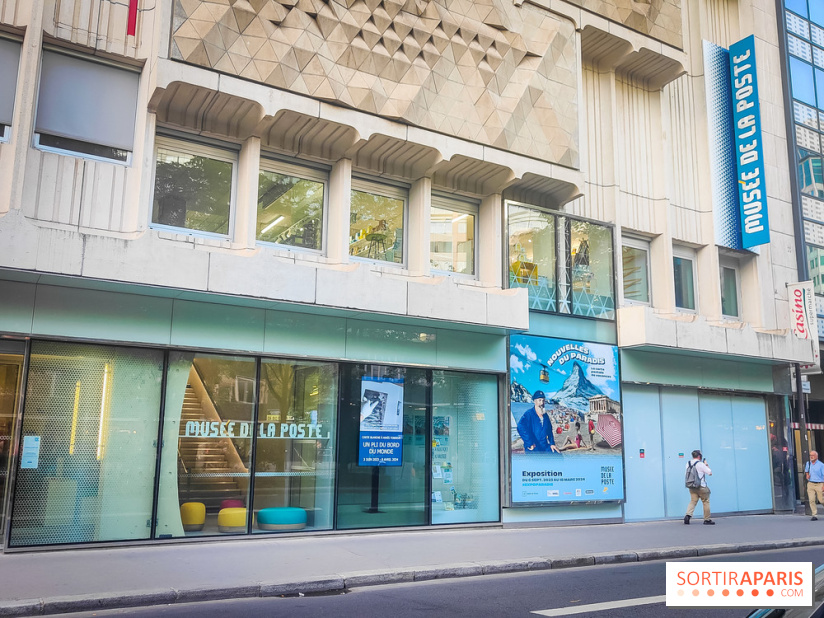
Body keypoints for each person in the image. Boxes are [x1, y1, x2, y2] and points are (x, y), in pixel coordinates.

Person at [684, 450, 714, 525]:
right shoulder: (700, 464)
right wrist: (706, 464)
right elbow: (710, 472)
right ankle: (707, 519)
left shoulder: (688, 463)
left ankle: (688, 515)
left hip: (692, 486)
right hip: (701, 486)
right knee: (705, 501)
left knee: (693, 501)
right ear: (699, 456)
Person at [805, 450, 824, 521]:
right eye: (810, 455)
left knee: (821, 500)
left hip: (819, 483)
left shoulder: (821, 465)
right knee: (811, 500)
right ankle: (814, 515)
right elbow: (807, 471)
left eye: (812, 455)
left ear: (816, 456)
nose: (811, 457)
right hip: (811, 484)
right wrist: (807, 475)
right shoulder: (808, 464)